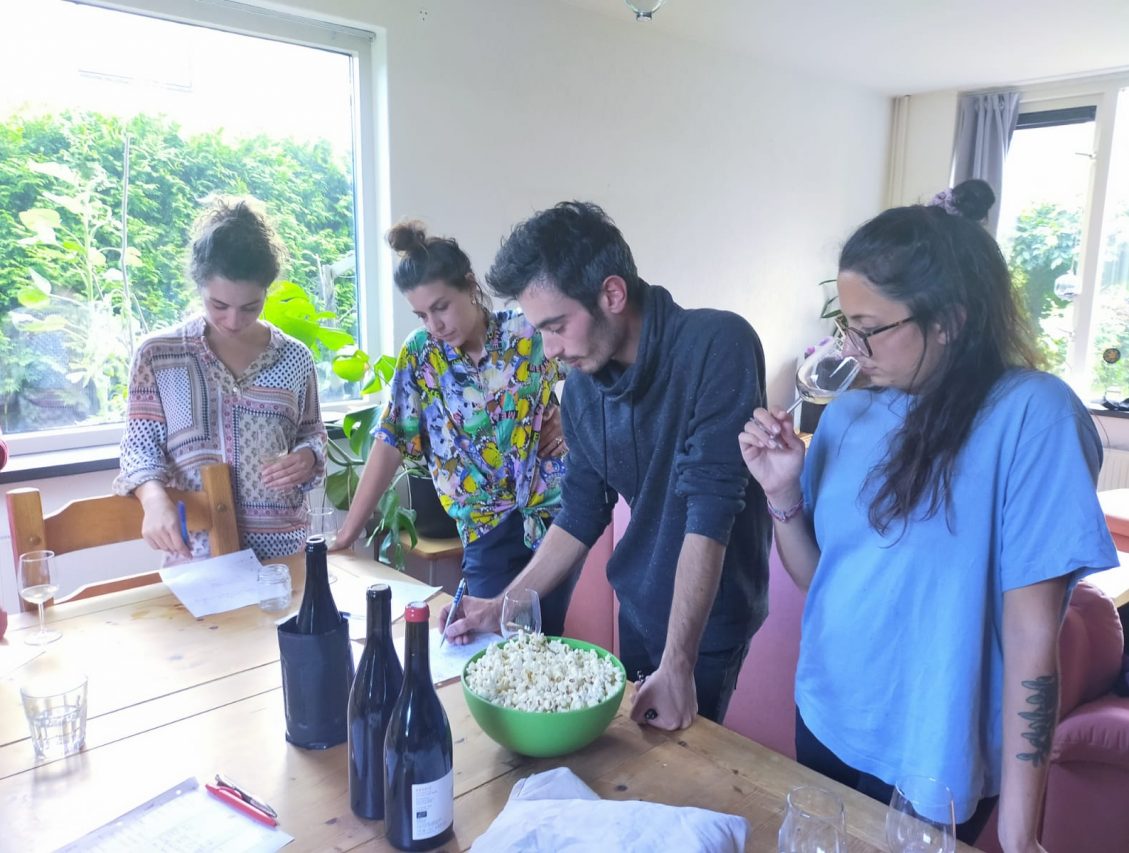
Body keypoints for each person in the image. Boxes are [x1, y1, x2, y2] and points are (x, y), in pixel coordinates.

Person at [739, 180, 1118, 851]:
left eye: (870, 329)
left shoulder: (1032, 416)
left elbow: (1033, 641)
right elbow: (822, 578)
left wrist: (1019, 829)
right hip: (829, 713)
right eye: (844, 328)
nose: (851, 350)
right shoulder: (849, 408)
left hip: (935, 752)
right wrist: (780, 494)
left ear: (949, 320)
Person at [442, 201, 772, 730]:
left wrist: (678, 661)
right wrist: (497, 606)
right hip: (639, 609)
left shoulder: (717, 345)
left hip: (704, 627)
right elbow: (578, 513)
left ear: (612, 294)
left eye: (557, 326)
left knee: (686, 774)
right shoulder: (581, 390)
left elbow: (708, 513)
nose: (550, 350)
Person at [334, 222, 575, 635]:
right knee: (486, 646)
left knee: (545, 649)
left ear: (469, 286)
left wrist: (571, 421)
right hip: (484, 529)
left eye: (441, 307)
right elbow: (390, 439)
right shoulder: (421, 356)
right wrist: (347, 533)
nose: (435, 324)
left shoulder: (527, 333)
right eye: (422, 314)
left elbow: (599, 369)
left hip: (554, 520)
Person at [115, 196, 327, 562]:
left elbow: (312, 433)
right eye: (218, 305)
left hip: (284, 557)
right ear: (199, 286)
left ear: (266, 291)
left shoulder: (294, 357)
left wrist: (308, 456)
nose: (232, 320)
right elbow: (139, 448)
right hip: (198, 558)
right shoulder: (159, 355)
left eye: (250, 307)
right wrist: (152, 499)